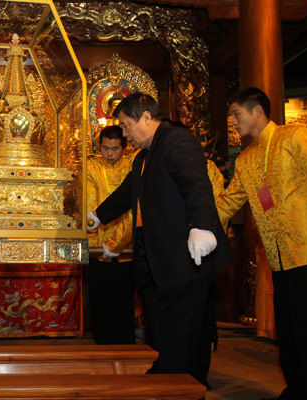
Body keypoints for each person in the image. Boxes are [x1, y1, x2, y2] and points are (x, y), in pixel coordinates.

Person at [88, 92, 234, 386]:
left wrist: (203, 227)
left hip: (186, 255)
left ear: (145, 117)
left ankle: (179, 382)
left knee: (182, 327)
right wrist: (100, 215)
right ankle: (168, 374)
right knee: (161, 323)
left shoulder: (176, 141)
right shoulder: (143, 157)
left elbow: (197, 185)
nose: (126, 134)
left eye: (127, 126)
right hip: (158, 258)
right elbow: (128, 192)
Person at [216, 87, 307, 400]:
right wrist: (194, 226)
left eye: (237, 114)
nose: (232, 121)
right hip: (276, 256)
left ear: (257, 111)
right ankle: (298, 389)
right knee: (288, 332)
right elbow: (228, 201)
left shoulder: (294, 137)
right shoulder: (246, 159)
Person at [86, 125, 135, 344]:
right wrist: (96, 241)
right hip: (98, 247)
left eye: (115, 149)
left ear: (124, 147)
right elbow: (89, 204)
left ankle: (125, 346)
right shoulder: (91, 168)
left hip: (128, 246)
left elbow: (133, 206)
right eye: (105, 148)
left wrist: (119, 240)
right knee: (101, 300)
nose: (109, 154)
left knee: (125, 300)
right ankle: (102, 344)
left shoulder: (132, 167)